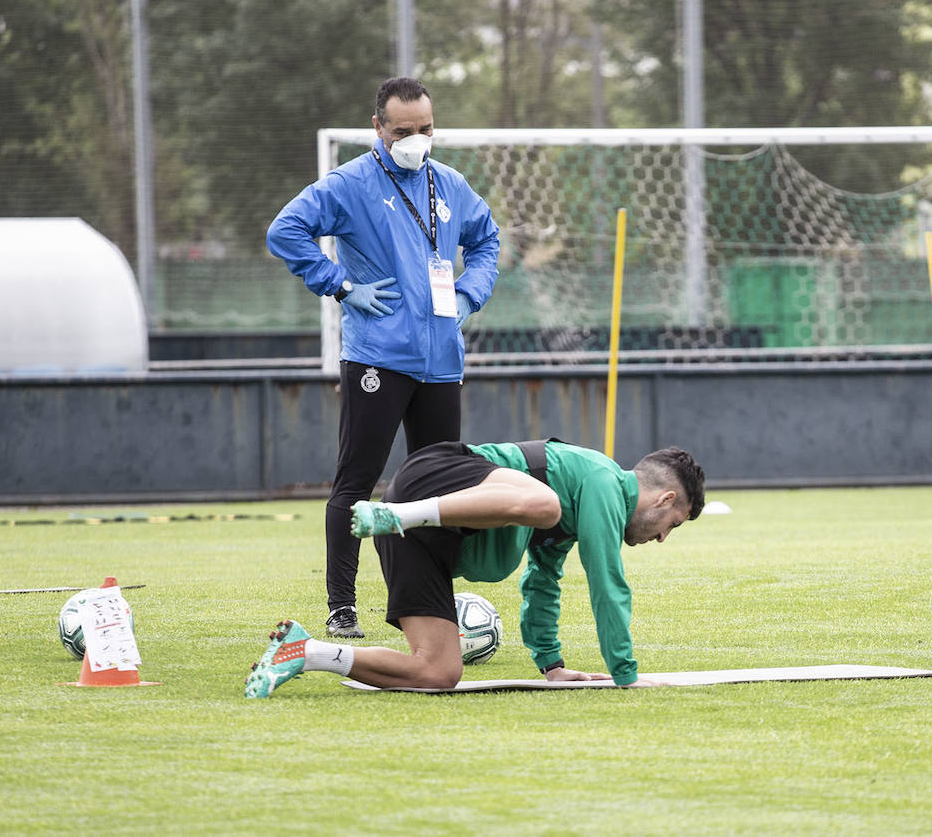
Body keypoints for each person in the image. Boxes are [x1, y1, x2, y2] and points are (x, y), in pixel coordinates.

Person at [266, 77, 500, 640]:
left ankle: (430, 606)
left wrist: (469, 293)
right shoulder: (349, 184)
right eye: (402, 131)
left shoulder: (450, 185)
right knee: (358, 480)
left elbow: (487, 242)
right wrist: (340, 285)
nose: (416, 140)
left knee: (439, 490)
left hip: (442, 361)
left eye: (425, 130)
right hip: (377, 357)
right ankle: (342, 607)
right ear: (378, 128)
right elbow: (285, 231)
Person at [244, 440, 706, 697]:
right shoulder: (605, 481)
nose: (662, 536)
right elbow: (608, 583)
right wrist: (626, 674)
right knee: (545, 505)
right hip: (433, 480)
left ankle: (304, 652)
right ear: (666, 499)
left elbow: (543, 583)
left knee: (438, 672)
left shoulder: (577, 510)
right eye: (673, 523)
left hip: (423, 538)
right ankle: (399, 514)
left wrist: (552, 666)